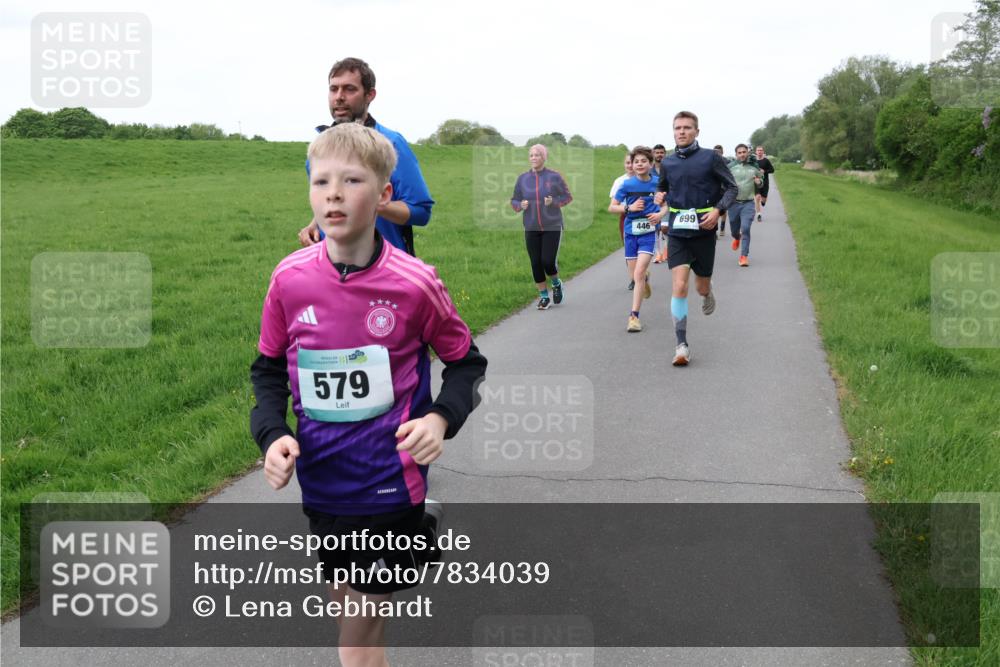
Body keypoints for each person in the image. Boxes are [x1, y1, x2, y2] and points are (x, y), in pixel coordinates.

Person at [251, 123, 487, 667]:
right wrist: (273, 434)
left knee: (357, 638)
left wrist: (439, 420)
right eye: (321, 181)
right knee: (348, 602)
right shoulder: (288, 279)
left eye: (351, 180)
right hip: (323, 478)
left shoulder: (414, 282)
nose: (332, 193)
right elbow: (266, 372)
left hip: (388, 479)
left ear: (384, 195)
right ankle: (423, 528)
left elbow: (466, 362)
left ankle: (416, 518)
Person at [297, 57, 434, 256]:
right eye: (334, 89)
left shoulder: (391, 143)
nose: (339, 97)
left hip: (387, 270)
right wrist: (315, 224)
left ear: (370, 95)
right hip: (332, 269)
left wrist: (374, 204)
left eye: (349, 89)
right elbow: (331, 200)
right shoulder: (319, 150)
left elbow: (421, 212)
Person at [655, 111, 737, 365]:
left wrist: (717, 210)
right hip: (678, 232)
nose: (682, 132)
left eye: (687, 128)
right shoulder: (667, 163)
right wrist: (660, 197)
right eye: (678, 128)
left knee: (700, 286)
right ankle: (681, 345)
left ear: (696, 132)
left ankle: (707, 292)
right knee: (679, 286)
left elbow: (732, 187)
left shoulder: (711, 158)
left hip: (704, 229)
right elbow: (663, 187)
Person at [511, 144, 573, 310]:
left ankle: (556, 283)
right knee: (535, 263)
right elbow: (514, 200)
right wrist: (520, 205)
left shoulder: (554, 176)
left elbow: (567, 197)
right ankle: (544, 297)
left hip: (552, 225)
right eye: (531, 155)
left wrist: (554, 202)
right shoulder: (523, 178)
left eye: (537, 155)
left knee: (547, 261)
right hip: (531, 227)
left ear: (544, 157)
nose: (533, 158)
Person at [610, 146, 665, 332]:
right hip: (631, 232)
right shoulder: (626, 185)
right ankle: (644, 280)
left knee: (639, 273)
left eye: (643, 161)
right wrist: (629, 209)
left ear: (650, 164)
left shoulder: (658, 184)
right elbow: (612, 207)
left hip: (649, 232)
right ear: (632, 165)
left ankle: (634, 317)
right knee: (635, 276)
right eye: (636, 162)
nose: (639, 164)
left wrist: (659, 215)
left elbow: (669, 205)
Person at [727, 144, 763, 267]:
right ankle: (736, 237)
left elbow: (760, 180)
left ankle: (744, 256)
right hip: (733, 204)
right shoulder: (730, 167)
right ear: (736, 154)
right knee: (734, 230)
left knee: (746, 228)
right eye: (740, 152)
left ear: (747, 153)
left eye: (744, 152)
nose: (742, 154)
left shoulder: (754, 166)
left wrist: (759, 182)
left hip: (748, 203)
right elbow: (723, 181)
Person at [609, 152, 636, 288]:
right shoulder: (619, 181)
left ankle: (641, 272)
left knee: (643, 248)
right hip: (626, 216)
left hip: (644, 217)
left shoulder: (645, 179)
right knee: (629, 248)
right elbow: (613, 203)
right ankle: (634, 279)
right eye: (627, 163)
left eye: (632, 162)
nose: (630, 166)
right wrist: (627, 208)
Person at [754, 145, 775, 221]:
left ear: (763, 152)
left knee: (763, 200)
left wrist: (765, 171)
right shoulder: (753, 161)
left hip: (765, 182)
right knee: (757, 197)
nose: (759, 152)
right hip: (756, 182)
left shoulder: (766, 161)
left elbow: (772, 170)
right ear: (756, 152)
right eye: (758, 150)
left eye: (761, 150)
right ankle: (759, 214)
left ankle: (763, 202)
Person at [713, 144, 729, 238]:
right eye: (715, 152)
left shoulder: (727, 162)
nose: (717, 154)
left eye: (719, 152)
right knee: (713, 210)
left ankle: (722, 228)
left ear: (722, 152)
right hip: (713, 189)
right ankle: (714, 230)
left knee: (723, 209)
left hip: (724, 189)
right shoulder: (710, 162)